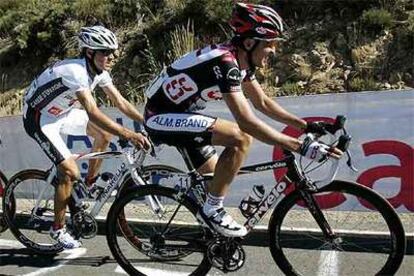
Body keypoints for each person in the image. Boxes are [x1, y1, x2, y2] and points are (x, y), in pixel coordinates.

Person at [143, 3, 343, 237]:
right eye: (270, 44)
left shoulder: (240, 62)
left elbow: (263, 103)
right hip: (159, 117)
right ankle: (213, 211)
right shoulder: (225, 63)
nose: (274, 50)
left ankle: (209, 235)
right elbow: (246, 122)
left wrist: (306, 126)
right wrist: (299, 146)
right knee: (240, 138)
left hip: (182, 115)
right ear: (249, 43)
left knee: (216, 182)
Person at [23, 25, 150, 249]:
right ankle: (58, 229)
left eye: (113, 52)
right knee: (69, 171)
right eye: (105, 52)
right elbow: (93, 112)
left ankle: (89, 184)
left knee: (105, 134)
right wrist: (129, 134)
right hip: (39, 118)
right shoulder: (76, 72)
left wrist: (146, 122)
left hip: (63, 112)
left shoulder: (99, 71)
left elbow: (120, 102)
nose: (111, 57)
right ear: (90, 53)